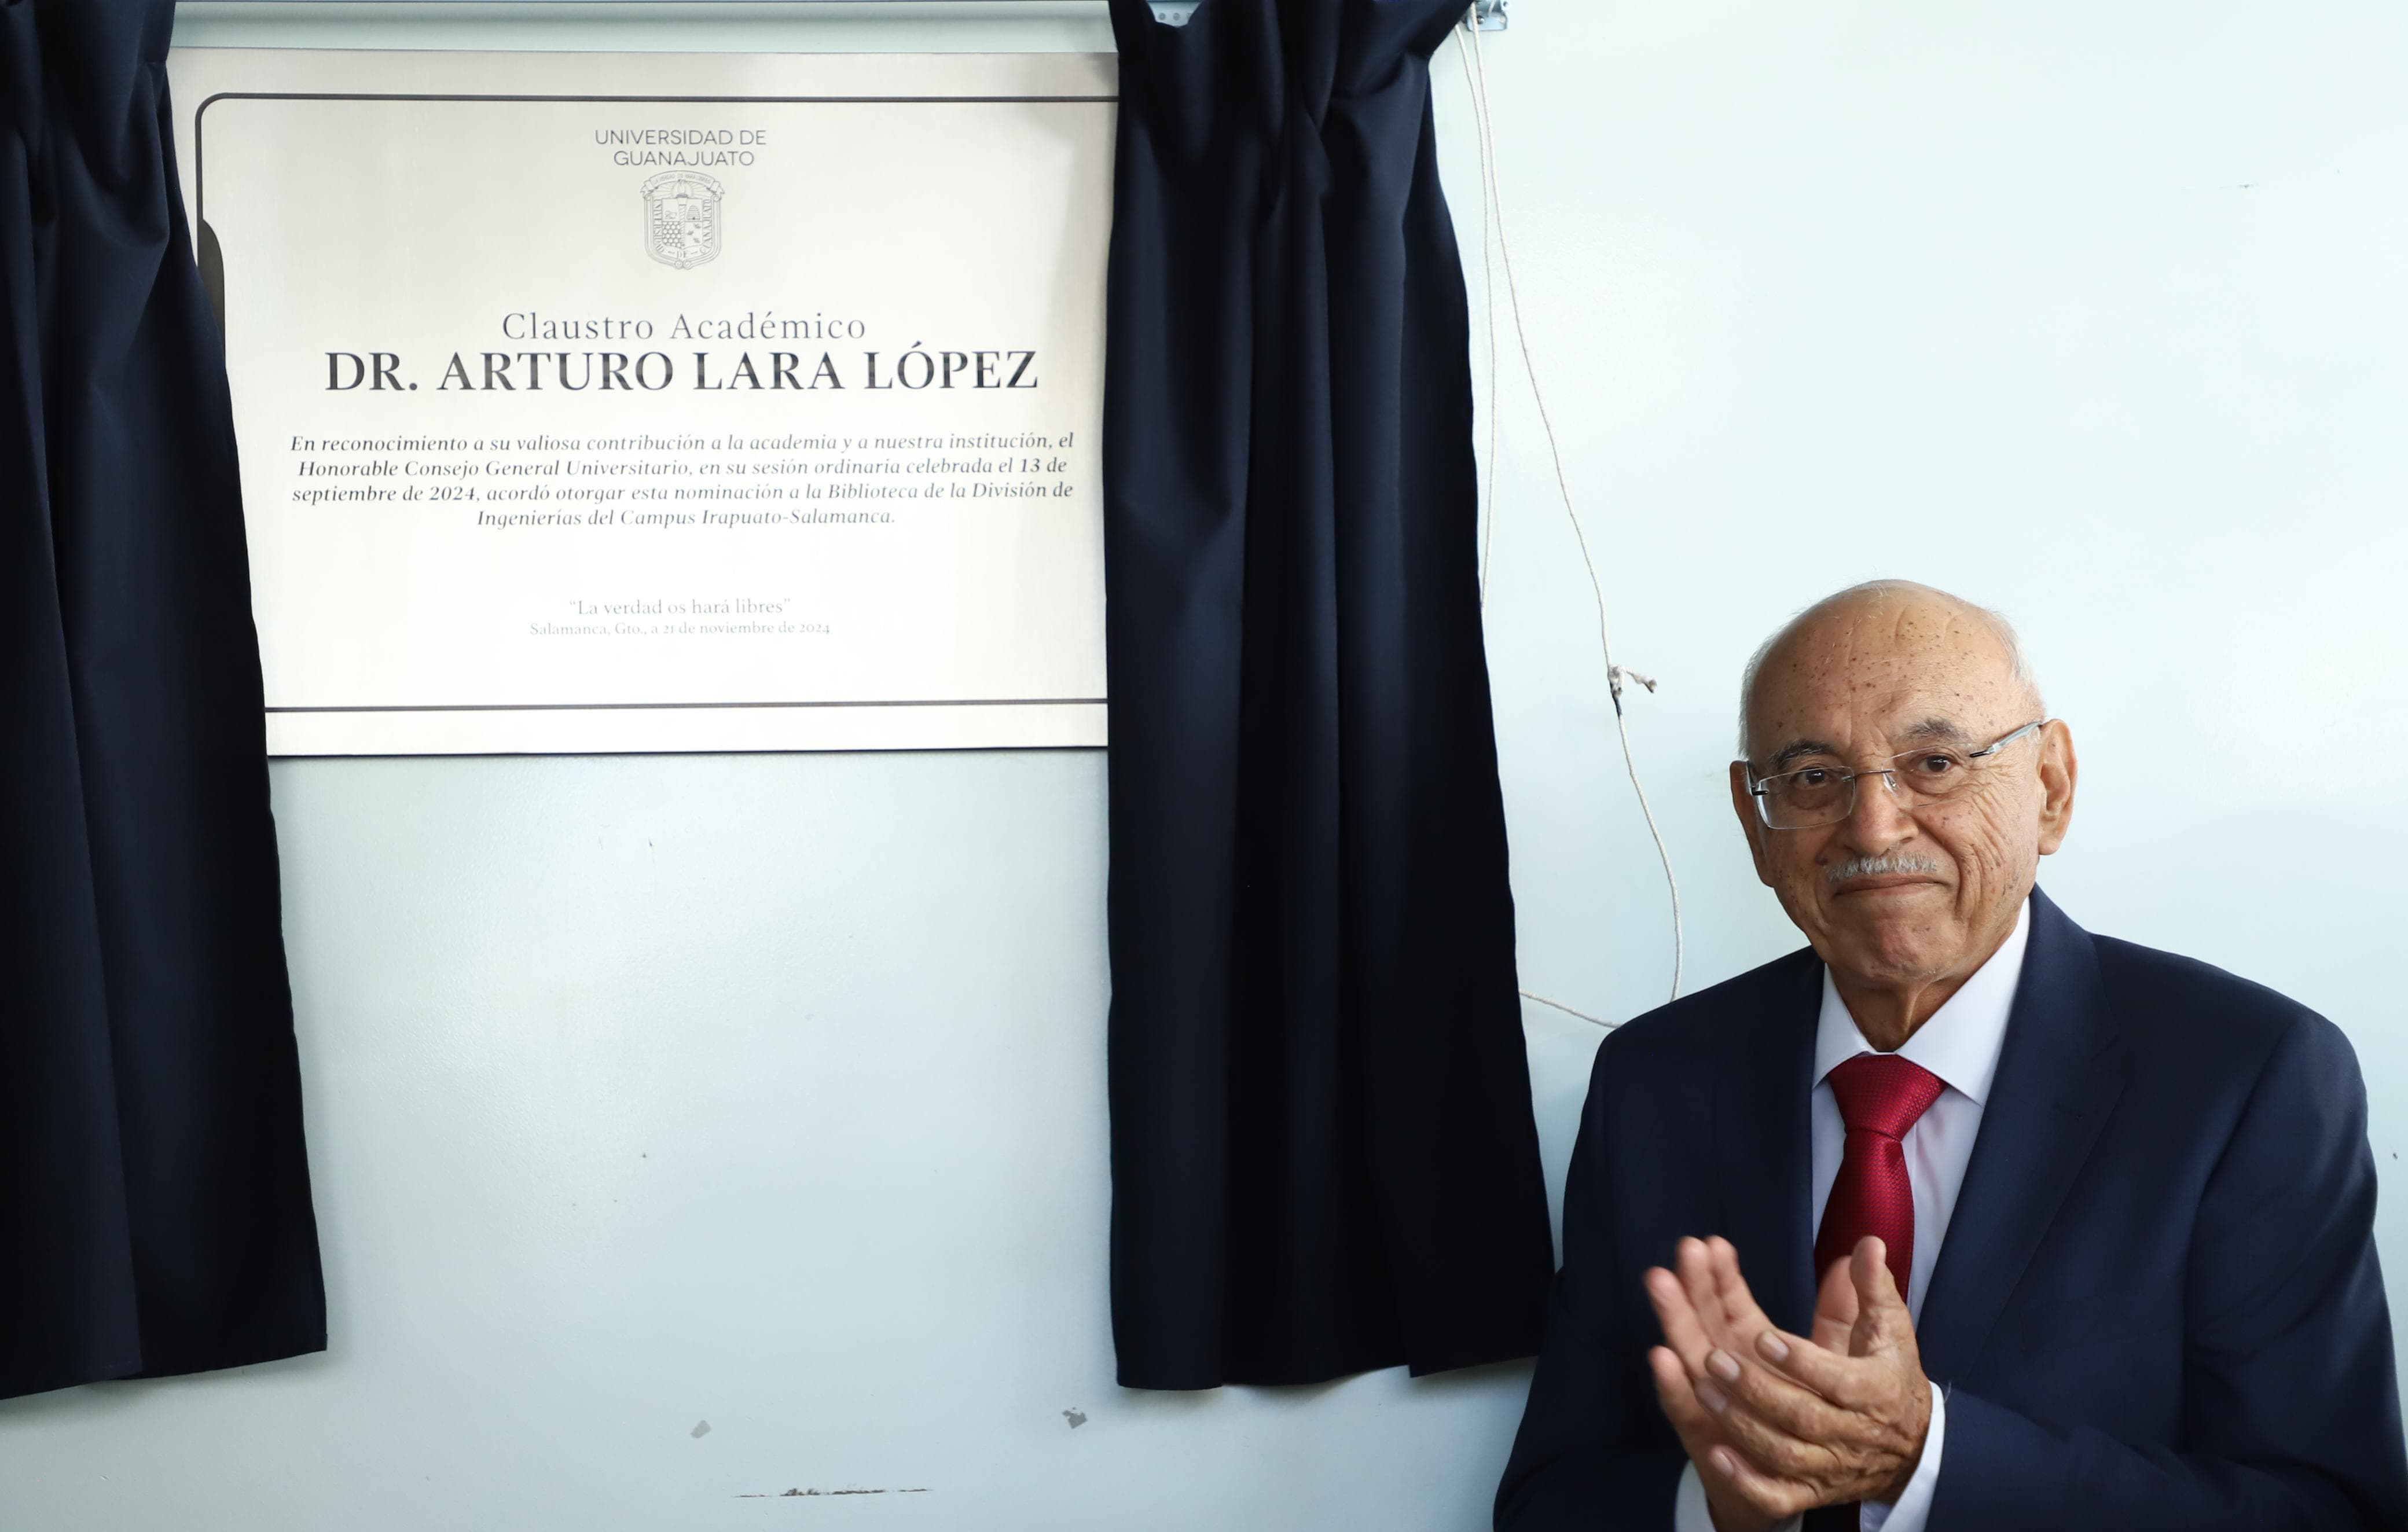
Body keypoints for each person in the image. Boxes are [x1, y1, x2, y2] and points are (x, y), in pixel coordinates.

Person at [1495, 580, 2408, 1531]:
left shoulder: (2247, 1078)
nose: (1873, 826)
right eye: (1813, 777)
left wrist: (1926, 1458)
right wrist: (1719, 1505)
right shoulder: (1655, 1082)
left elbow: (2330, 1512)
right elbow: (1552, 1502)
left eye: (1934, 763)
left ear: (2050, 788)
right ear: (1754, 823)